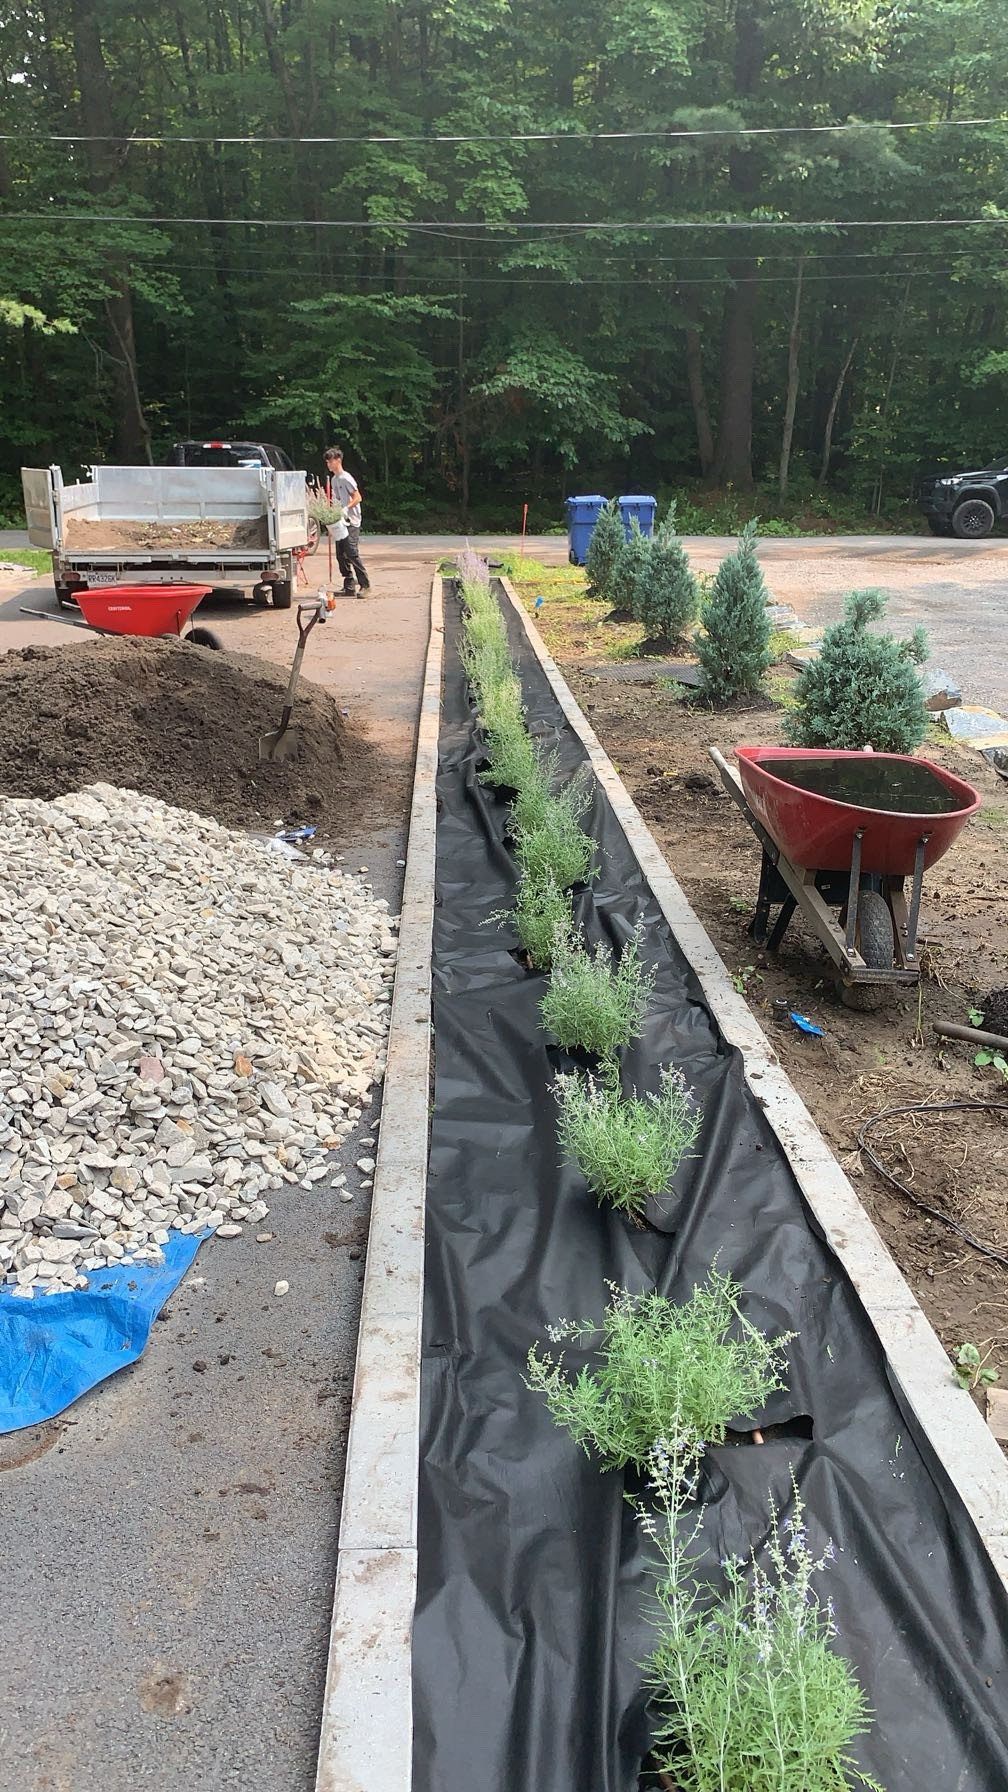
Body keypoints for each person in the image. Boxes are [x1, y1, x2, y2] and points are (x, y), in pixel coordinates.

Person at [322, 445, 371, 596]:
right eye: (327, 462)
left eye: (330, 461)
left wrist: (346, 508)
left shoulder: (346, 478)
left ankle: (365, 585)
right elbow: (336, 499)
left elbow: (358, 497)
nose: (328, 464)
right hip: (340, 521)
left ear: (338, 460)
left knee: (351, 552)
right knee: (340, 554)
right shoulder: (334, 479)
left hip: (352, 520)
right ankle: (349, 586)